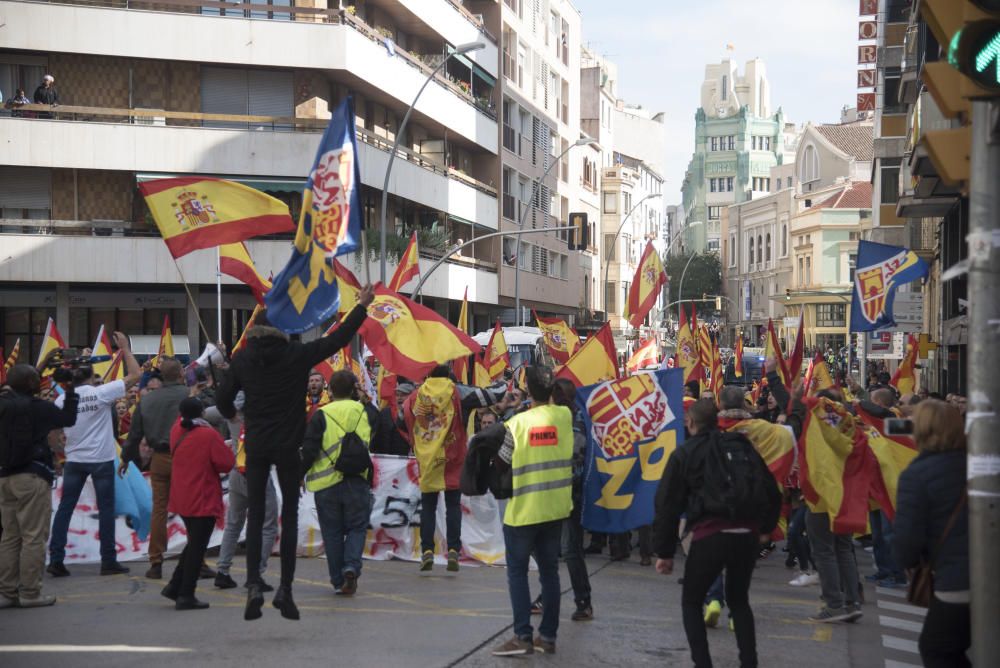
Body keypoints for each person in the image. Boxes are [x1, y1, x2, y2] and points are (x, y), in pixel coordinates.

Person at [216, 287, 374, 622]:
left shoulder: (243, 358)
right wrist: (361, 307)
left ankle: (254, 584)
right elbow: (337, 339)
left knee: (256, 515)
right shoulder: (295, 355)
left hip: (256, 445)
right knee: (288, 517)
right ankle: (285, 590)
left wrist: (233, 414)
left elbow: (222, 399)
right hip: (288, 446)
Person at [653, 399, 782, 668]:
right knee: (739, 600)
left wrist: (664, 552)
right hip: (746, 534)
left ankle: (703, 663)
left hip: (710, 533)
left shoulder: (685, 452)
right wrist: (766, 529)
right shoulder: (740, 446)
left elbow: (667, 503)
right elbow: (770, 488)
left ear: (690, 423)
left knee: (691, 601)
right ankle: (749, 662)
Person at [489, 366, 573, 656]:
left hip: (524, 510)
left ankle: (522, 636)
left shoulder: (518, 424)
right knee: (550, 572)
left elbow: (501, 462)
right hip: (555, 508)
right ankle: (547, 637)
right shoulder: (564, 416)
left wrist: (511, 410)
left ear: (527, 391)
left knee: (517, 573)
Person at [48, 333, 140, 578]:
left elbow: (55, 432)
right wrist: (125, 349)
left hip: (74, 461)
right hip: (100, 460)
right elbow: (135, 376)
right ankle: (108, 560)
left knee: (66, 508)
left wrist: (59, 454)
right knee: (106, 509)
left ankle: (56, 559)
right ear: (91, 376)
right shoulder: (100, 394)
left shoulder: (61, 400)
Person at [403, 365, 505, 573]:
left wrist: (415, 443)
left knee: (429, 506)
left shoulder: (416, 395)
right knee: (452, 506)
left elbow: (400, 418)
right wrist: (504, 383)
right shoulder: (457, 391)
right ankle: (452, 550)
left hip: (428, 459)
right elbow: (491, 395)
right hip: (453, 457)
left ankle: (427, 551)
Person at [893, 400, 970, 667]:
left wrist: (911, 563)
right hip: (977, 573)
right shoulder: (978, 464)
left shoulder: (917, 475)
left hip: (958, 579)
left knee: (937, 650)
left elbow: (907, 540)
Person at [0, 365, 79, 608]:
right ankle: (30, 592)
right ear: (34, 385)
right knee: (33, 535)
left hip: (4, 476)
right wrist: (69, 388)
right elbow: (69, 418)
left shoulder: (3, 405)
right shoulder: (40, 408)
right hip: (32, 476)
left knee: (10, 536)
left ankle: (7, 592)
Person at [120, 357, 194, 580]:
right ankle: (196, 559)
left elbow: (134, 435)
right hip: (186, 457)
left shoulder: (147, 401)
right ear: (181, 373)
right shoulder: (188, 396)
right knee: (192, 509)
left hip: (160, 457)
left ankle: (156, 560)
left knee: (159, 509)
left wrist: (126, 458)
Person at [301, 370, 373, 596]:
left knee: (332, 532)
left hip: (326, 484)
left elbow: (310, 449)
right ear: (353, 389)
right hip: (357, 479)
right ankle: (351, 565)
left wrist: (298, 475)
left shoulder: (321, 415)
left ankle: (338, 578)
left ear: (329, 390)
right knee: (356, 528)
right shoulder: (362, 411)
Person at [159, 398, 234, 611]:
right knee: (196, 548)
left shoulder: (176, 430)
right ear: (202, 413)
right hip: (203, 495)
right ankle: (185, 593)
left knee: (193, 544)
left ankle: (175, 586)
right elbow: (226, 463)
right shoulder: (208, 434)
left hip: (183, 494)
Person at [204, 393, 278, 592]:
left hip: (237, 471)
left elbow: (208, 413)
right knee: (268, 524)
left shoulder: (231, 415)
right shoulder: (264, 414)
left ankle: (223, 570)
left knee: (234, 523)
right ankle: (256, 573)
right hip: (259, 473)